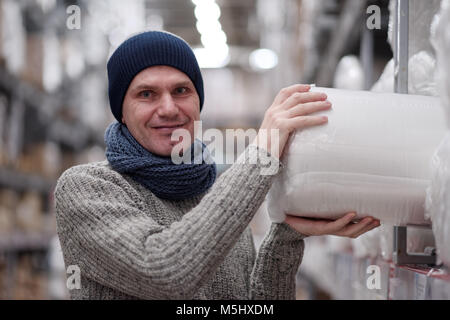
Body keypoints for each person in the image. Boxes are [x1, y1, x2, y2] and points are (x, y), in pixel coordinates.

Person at [54, 31, 380, 300]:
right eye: (146, 94)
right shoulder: (88, 188)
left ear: (198, 103)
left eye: (181, 90)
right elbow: (165, 272)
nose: (168, 108)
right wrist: (262, 151)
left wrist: (286, 237)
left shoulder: (216, 195)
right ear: (121, 111)